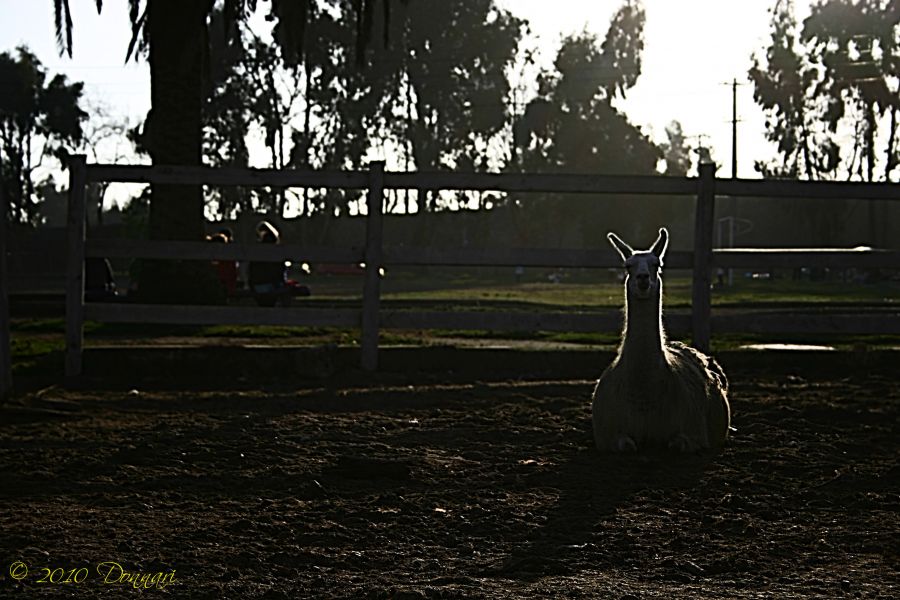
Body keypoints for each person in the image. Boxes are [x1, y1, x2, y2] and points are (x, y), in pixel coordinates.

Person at [248, 221, 311, 306]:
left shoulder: (256, 251)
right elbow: (278, 274)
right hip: (270, 286)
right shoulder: (277, 252)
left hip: (257, 287)